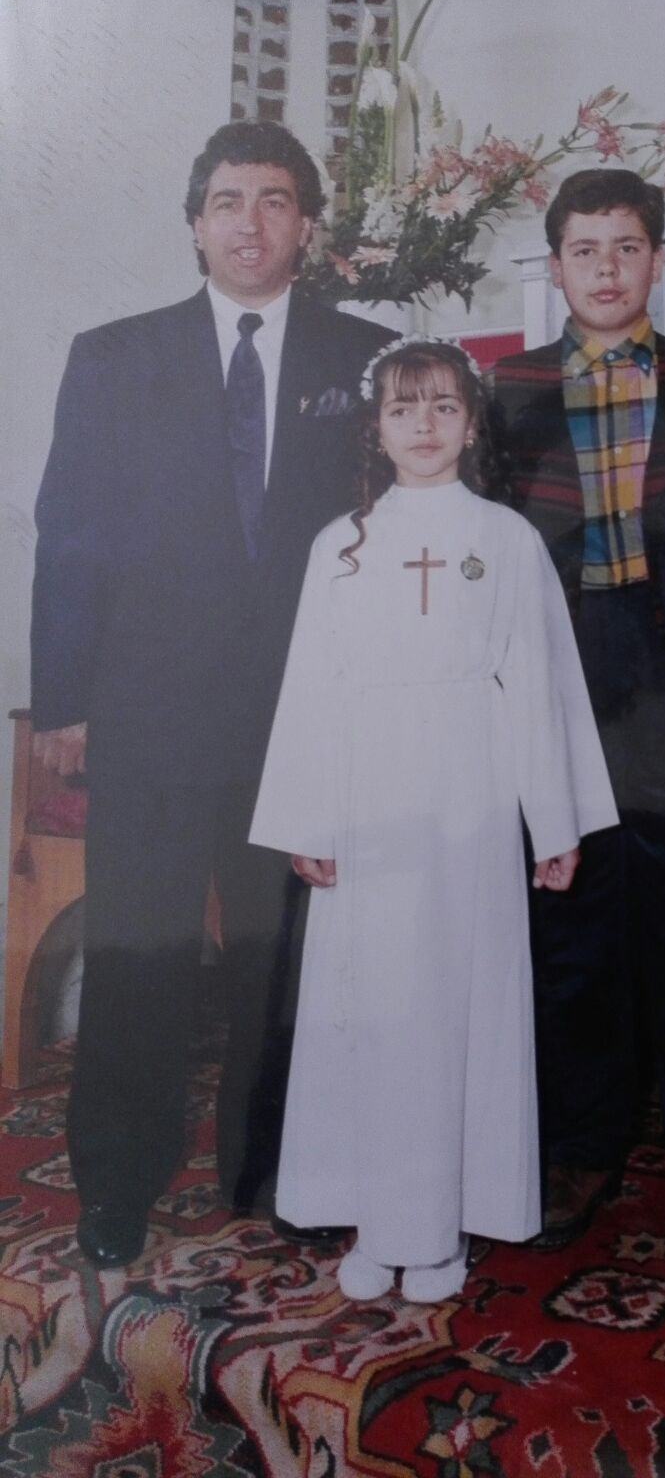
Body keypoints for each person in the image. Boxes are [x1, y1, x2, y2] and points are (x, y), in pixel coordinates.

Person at [30, 120, 395, 1267]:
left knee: (279, 960)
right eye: (229, 200)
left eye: (275, 200)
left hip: (303, 716)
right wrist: (63, 699)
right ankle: (117, 1181)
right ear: (194, 224)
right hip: (149, 711)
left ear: (308, 226)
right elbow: (69, 534)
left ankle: (273, 1168)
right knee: (138, 955)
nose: (250, 222)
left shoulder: (369, 360)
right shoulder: (114, 356)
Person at [249, 339, 617, 1302]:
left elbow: (538, 683)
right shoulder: (341, 542)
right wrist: (308, 818)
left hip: (469, 795)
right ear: (375, 426)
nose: (424, 425)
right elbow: (311, 686)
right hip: (366, 794)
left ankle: (442, 1227)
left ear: (472, 424)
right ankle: (378, 1221)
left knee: (455, 1005)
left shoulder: (506, 539)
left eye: (445, 406)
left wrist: (556, 822)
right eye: (403, 408)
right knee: (370, 1004)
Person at [489, 169, 665, 1261]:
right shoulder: (507, 389)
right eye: (584, 249)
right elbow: (488, 548)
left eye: (626, 247)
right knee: (570, 915)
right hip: (561, 663)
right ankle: (580, 1145)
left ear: (658, 259)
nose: (606, 269)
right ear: (555, 264)